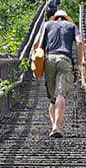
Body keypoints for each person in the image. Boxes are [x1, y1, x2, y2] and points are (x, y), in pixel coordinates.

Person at [34, 9, 83, 137]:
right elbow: (79, 42)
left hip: (49, 60)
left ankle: (53, 126)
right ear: (66, 18)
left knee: (52, 99)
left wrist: (35, 67)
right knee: (60, 93)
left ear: (55, 18)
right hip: (65, 60)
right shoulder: (72, 26)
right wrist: (79, 64)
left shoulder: (46, 25)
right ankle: (57, 126)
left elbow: (36, 44)